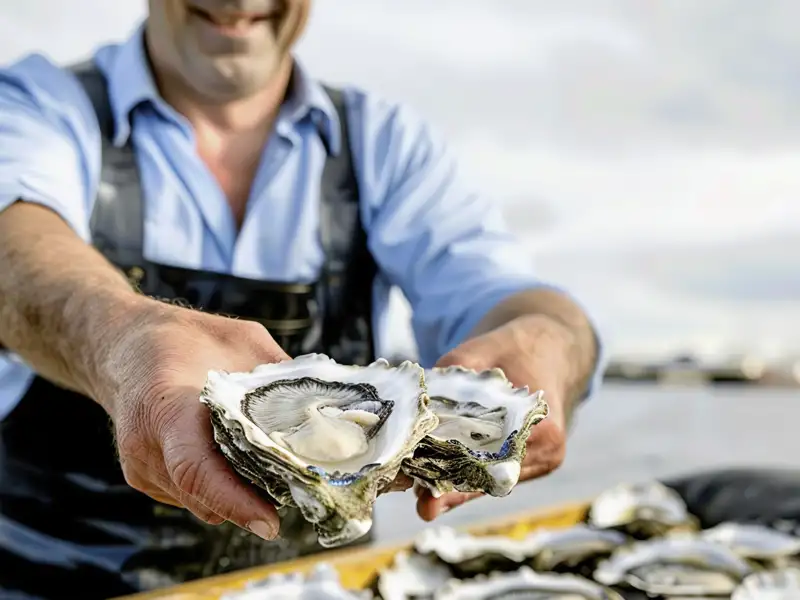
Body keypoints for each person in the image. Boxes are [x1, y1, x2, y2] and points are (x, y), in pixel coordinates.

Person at [0, 1, 602, 598]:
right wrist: (120, 338)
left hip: (314, 586)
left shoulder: (383, 143)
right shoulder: (39, 103)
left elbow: (509, 296)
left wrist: (550, 340)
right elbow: (15, 250)